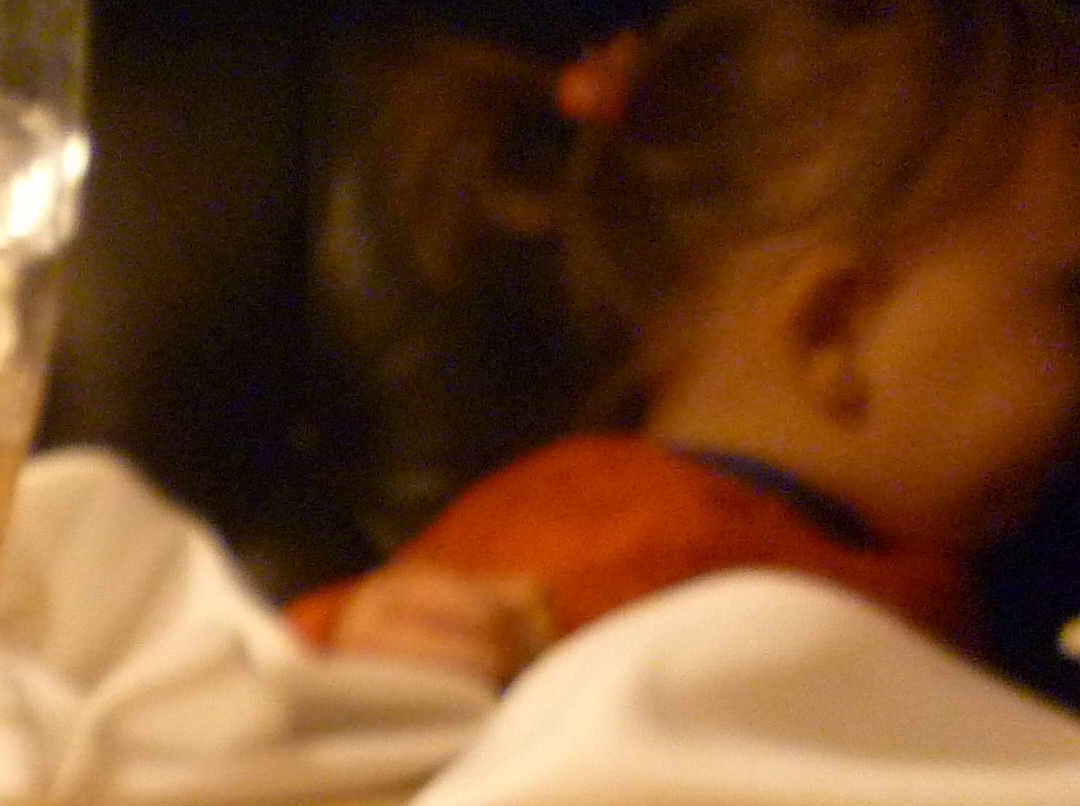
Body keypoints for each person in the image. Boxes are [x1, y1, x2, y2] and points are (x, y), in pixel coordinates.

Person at [290, 0, 1080, 689]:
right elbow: (275, 705)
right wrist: (357, 644)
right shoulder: (612, 548)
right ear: (831, 328)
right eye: (1071, 306)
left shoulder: (912, 566)